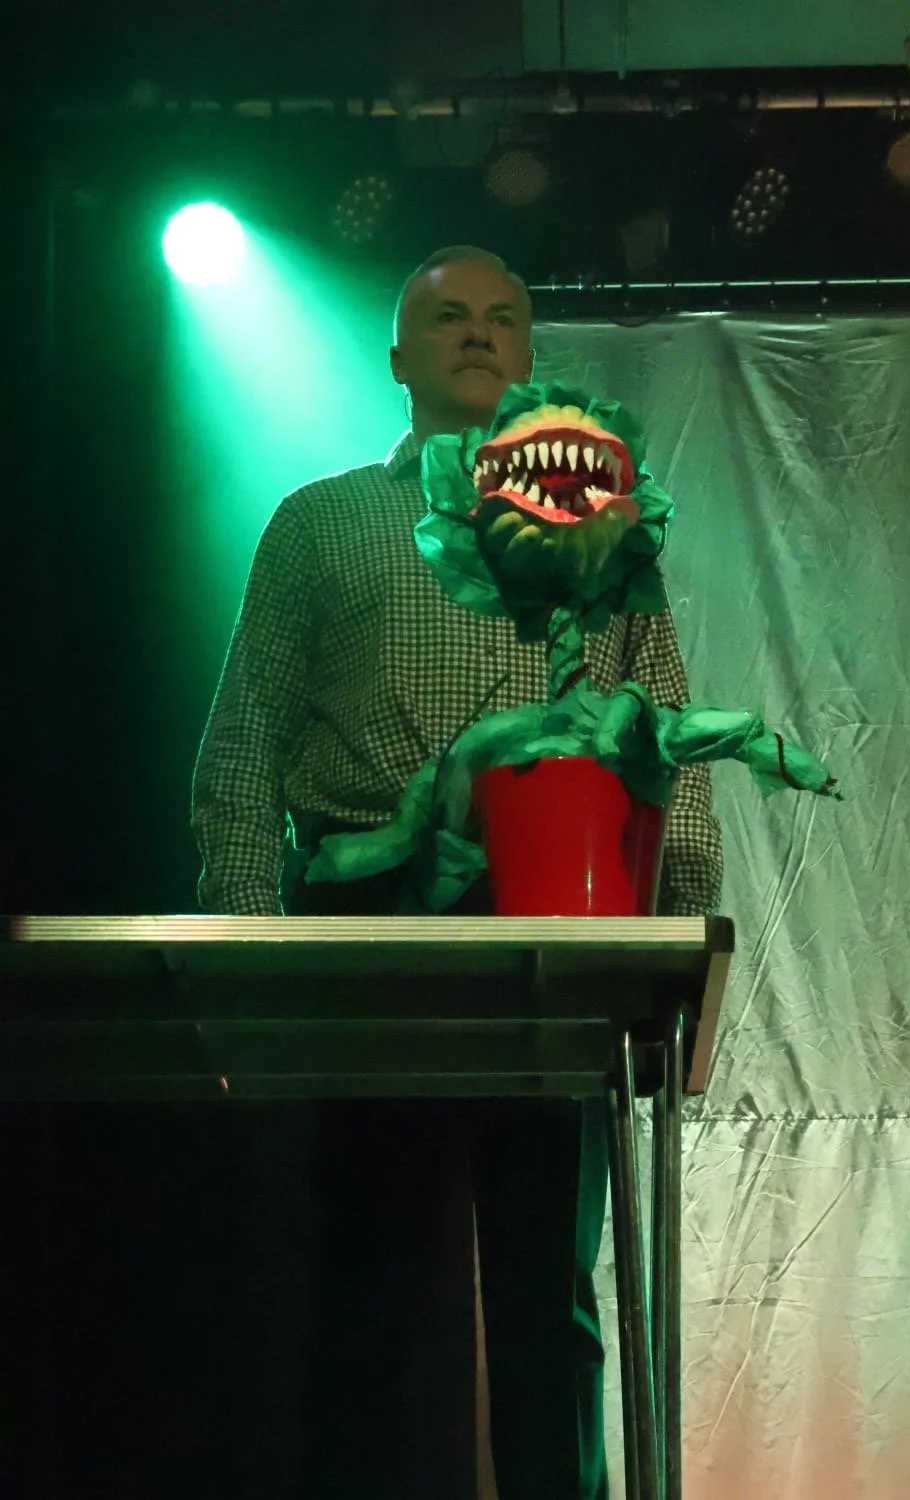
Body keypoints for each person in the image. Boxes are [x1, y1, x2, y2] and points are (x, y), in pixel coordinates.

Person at [192, 246, 723, 1499]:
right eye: (448, 318)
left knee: (548, 1285)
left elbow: (664, 736)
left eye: (500, 318)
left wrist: (677, 946)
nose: (477, 335)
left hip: (551, 920)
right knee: (368, 1278)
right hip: (367, 919)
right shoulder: (321, 521)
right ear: (399, 357)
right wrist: (249, 958)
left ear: (529, 353)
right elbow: (244, 742)